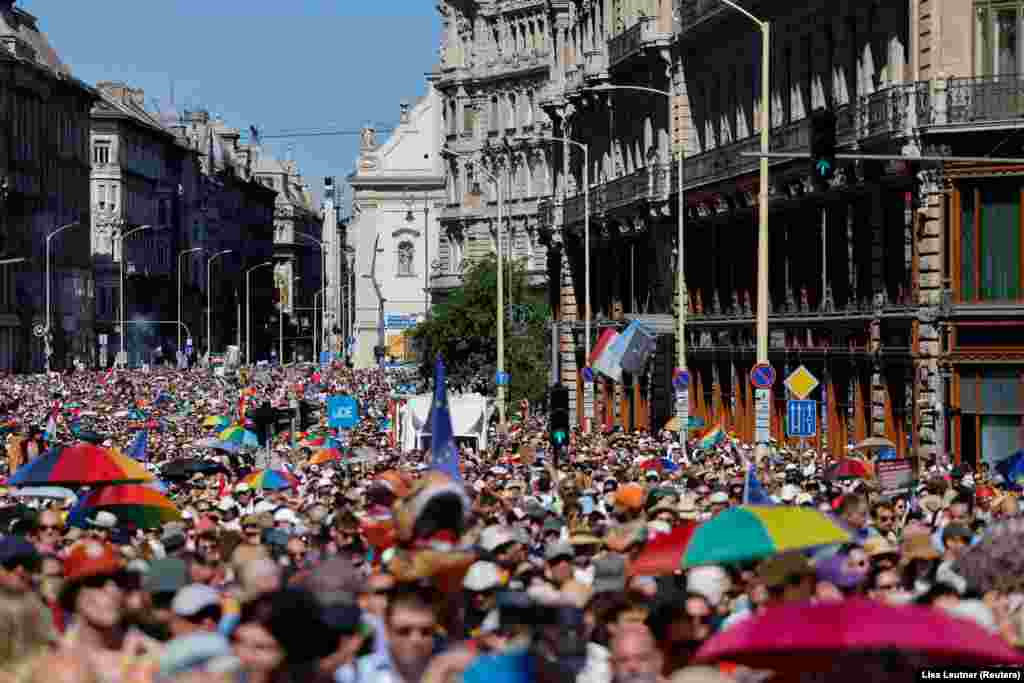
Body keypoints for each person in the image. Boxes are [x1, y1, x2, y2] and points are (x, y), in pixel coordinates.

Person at [353, 584, 440, 683]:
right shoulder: (358, 672)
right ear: (387, 630)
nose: (416, 639)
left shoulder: (451, 673)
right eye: (404, 631)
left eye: (426, 632)